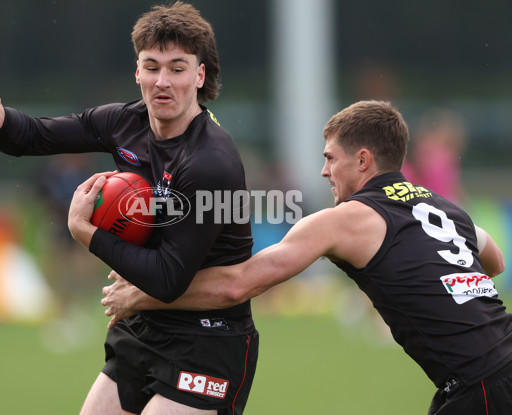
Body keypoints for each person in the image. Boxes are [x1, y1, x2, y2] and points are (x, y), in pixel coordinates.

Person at [101, 100, 511, 415]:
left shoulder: (346, 220)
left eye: (330, 158)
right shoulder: (446, 209)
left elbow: (237, 284)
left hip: (483, 385)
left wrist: (140, 295)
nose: (323, 171)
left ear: (363, 160)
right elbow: (494, 261)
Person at [0, 2, 258, 414]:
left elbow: (169, 278)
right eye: (151, 67)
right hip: (142, 326)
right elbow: (34, 136)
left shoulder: (209, 161)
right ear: (137, 71)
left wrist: (86, 232)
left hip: (207, 338)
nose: (162, 81)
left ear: (199, 75)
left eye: (177, 67)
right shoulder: (125, 123)